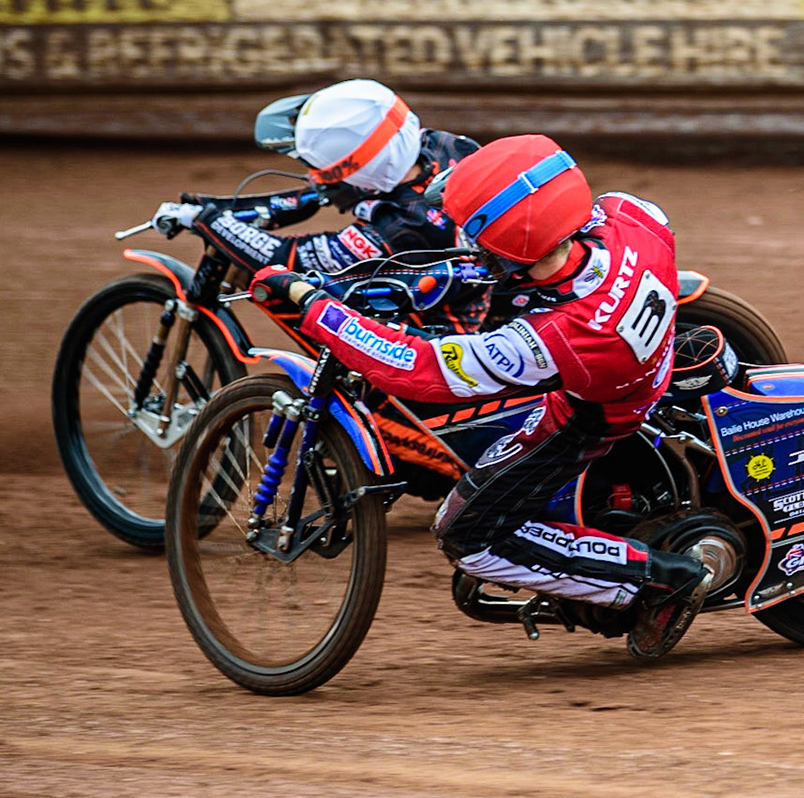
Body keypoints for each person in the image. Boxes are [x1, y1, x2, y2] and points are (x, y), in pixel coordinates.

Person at [248, 134, 711, 657]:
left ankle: (656, 582)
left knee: (465, 534)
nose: (468, 240)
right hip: (646, 360)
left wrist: (315, 308)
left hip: (590, 416)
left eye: (476, 232)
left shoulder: (552, 337)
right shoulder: (631, 217)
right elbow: (532, 257)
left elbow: (418, 370)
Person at [149, 79, 488, 328]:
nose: (312, 176)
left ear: (358, 172)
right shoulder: (442, 146)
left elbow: (284, 257)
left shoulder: (402, 226)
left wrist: (207, 219)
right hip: (482, 295)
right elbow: (318, 194)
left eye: (319, 169)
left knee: (303, 290)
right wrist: (215, 209)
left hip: (436, 340)